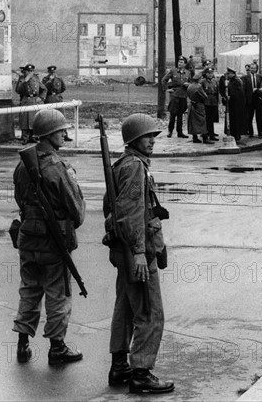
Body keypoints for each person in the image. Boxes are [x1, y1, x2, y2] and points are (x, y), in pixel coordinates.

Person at [103, 114, 174, 394]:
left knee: (125, 308)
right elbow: (131, 212)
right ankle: (141, 373)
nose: (152, 141)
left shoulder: (126, 164)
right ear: (133, 140)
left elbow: (115, 208)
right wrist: (140, 253)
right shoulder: (134, 167)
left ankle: (120, 365)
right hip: (137, 250)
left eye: (154, 137)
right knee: (149, 311)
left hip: (128, 249)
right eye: (147, 137)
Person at [12, 109, 85, 365]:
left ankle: (23, 344)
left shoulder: (23, 164)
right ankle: (57, 348)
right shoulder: (57, 167)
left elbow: (20, 199)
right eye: (61, 131)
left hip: (27, 238)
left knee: (29, 290)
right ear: (49, 134)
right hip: (52, 243)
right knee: (58, 292)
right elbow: (76, 209)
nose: (65, 134)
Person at [15, 64, 46, 144]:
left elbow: (44, 89)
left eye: (31, 71)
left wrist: (41, 98)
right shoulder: (22, 78)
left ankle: (33, 136)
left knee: (34, 119)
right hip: (26, 100)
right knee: (24, 120)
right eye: (28, 71)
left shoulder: (36, 78)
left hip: (35, 101)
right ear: (25, 71)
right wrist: (25, 80)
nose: (30, 72)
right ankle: (25, 137)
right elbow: (18, 90)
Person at [162, 56, 191, 138]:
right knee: (173, 114)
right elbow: (164, 80)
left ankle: (180, 132)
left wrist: (188, 84)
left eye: (181, 62)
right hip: (174, 95)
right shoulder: (173, 71)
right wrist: (167, 89)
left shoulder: (188, 73)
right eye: (179, 62)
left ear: (185, 64)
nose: (179, 63)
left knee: (180, 115)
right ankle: (170, 131)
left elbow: (191, 82)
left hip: (183, 95)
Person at [42, 65, 72, 141]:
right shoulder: (45, 79)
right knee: (49, 117)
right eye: (51, 72)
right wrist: (49, 81)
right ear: (48, 72)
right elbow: (43, 88)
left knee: (61, 117)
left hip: (58, 99)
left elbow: (63, 88)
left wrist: (57, 94)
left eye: (53, 72)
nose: (52, 73)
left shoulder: (59, 79)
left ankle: (64, 134)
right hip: (49, 99)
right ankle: (48, 135)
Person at [221, 67, 247, 143]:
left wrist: (230, 96)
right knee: (232, 120)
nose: (227, 75)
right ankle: (232, 133)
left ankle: (237, 134)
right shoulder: (231, 80)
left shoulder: (237, 81)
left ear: (233, 74)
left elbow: (238, 93)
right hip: (232, 104)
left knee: (236, 120)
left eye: (229, 73)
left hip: (236, 105)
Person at [187, 72, 213, 144]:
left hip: (192, 104)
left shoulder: (190, 86)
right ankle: (205, 138)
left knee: (193, 121)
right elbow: (204, 96)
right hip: (199, 105)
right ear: (199, 79)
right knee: (202, 121)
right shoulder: (199, 86)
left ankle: (194, 137)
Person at [242, 63, 262, 137]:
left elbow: (261, 87)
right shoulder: (245, 77)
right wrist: (245, 100)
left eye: (254, 68)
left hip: (258, 99)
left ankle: (260, 132)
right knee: (249, 117)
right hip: (249, 100)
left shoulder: (260, 77)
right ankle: (250, 132)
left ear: (256, 69)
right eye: (251, 68)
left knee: (259, 117)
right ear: (249, 69)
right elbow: (244, 90)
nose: (253, 69)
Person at [201, 68, 220, 140]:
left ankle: (211, 134)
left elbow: (217, 92)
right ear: (206, 74)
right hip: (206, 102)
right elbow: (201, 92)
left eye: (211, 73)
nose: (210, 74)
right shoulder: (203, 82)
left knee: (212, 119)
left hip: (213, 101)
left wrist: (218, 101)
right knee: (206, 119)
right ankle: (205, 134)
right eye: (208, 73)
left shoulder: (215, 81)